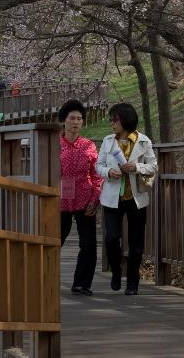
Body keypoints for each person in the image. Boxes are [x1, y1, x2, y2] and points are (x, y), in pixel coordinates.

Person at [96, 102, 157, 295]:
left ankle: (133, 282)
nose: (112, 123)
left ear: (125, 120)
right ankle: (116, 270)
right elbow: (98, 166)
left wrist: (137, 168)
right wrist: (109, 172)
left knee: (136, 243)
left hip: (136, 198)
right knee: (112, 238)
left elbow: (153, 166)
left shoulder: (143, 141)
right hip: (113, 196)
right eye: (111, 119)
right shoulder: (107, 141)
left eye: (115, 119)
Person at [58, 99, 101, 295]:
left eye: (79, 119)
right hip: (59, 200)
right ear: (63, 121)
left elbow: (96, 173)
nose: (76, 122)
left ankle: (82, 283)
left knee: (89, 243)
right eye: (72, 118)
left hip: (85, 198)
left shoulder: (89, 145)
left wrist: (96, 198)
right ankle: (45, 279)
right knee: (55, 240)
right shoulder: (55, 144)